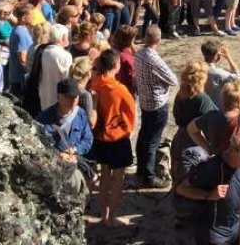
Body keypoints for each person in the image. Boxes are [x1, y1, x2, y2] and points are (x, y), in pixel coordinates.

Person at [176, 130, 240, 245]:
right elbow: (181, 189)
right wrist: (210, 195)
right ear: (232, 150)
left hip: (233, 234)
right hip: (213, 236)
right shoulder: (211, 168)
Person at [92, 48, 137, 226]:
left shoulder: (96, 83)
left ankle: (104, 214)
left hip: (101, 135)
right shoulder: (119, 89)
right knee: (118, 177)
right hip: (118, 136)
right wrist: (129, 130)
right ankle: (111, 217)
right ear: (115, 66)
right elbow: (131, 112)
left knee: (104, 174)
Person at [134, 25, 178, 188]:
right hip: (157, 103)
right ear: (158, 40)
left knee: (144, 136)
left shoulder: (139, 54)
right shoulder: (154, 58)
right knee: (152, 140)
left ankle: (141, 170)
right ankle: (149, 176)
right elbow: (173, 80)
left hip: (145, 101)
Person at [37, 79, 93, 194]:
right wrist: (59, 155)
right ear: (58, 96)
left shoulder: (80, 114)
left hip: (76, 167)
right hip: (54, 172)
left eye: (76, 97)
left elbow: (88, 139)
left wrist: (75, 150)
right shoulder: (44, 118)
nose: (73, 100)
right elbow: (38, 145)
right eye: (68, 97)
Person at [171, 60, 218, 175]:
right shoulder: (202, 99)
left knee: (179, 176)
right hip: (196, 144)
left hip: (179, 141)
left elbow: (176, 117)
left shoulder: (180, 94)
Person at [39, 24, 73, 112]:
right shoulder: (65, 56)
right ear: (63, 37)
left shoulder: (44, 51)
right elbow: (67, 79)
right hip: (58, 99)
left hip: (44, 95)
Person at [201, 41, 240, 109]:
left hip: (202, 106)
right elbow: (237, 77)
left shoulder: (198, 68)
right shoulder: (217, 73)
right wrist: (228, 57)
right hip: (217, 108)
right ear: (217, 55)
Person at [8, 4, 34, 98]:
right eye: (31, 15)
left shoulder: (23, 29)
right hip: (20, 79)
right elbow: (23, 60)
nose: (33, 17)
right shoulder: (20, 33)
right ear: (23, 17)